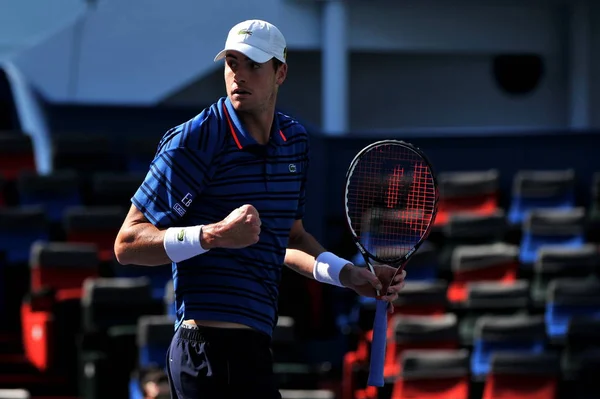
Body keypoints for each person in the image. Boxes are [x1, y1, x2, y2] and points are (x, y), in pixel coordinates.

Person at [114, 19, 406, 399]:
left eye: (253, 65)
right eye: (232, 63)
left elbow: (289, 238)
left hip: (255, 351)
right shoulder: (194, 139)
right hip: (200, 350)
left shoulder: (295, 142)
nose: (239, 75)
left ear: (280, 72)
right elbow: (127, 243)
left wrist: (350, 275)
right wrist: (212, 236)